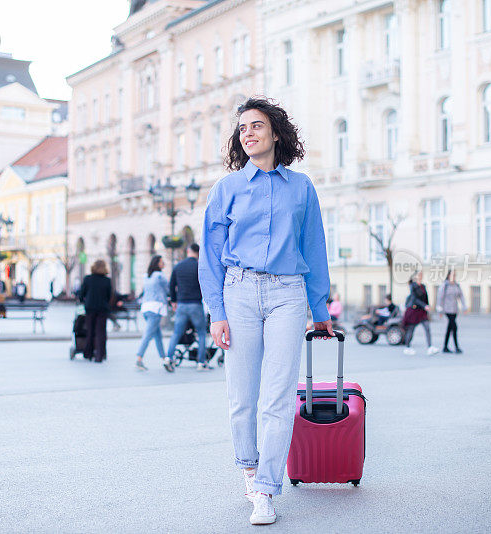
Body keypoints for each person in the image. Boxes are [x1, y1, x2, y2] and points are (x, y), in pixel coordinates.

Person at [199, 97, 332, 525]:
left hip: (287, 295)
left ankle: (266, 489)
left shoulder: (301, 187)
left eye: (257, 126)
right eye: (242, 129)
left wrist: (320, 307)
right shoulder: (227, 189)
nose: (249, 133)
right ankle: (249, 467)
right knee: (242, 397)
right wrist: (216, 311)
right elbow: (212, 256)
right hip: (238, 292)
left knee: (277, 397)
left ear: (275, 133)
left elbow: (313, 247)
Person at [166, 243, 210, 371]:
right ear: (198, 252)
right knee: (201, 333)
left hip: (181, 304)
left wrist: (174, 301)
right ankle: (201, 362)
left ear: (188, 251)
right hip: (196, 304)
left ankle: (169, 358)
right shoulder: (199, 266)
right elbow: (205, 284)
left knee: (177, 333)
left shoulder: (178, 266)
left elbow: (171, 285)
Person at [135, 255, 172, 372]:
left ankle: (164, 359)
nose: (163, 264)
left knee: (157, 336)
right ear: (157, 263)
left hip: (145, 308)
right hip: (156, 308)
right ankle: (139, 359)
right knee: (148, 335)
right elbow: (168, 290)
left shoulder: (146, 276)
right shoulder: (160, 276)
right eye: (162, 262)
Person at [77, 260, 112, 363]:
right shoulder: (107, 280)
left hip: (90, 308)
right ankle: (100, 355)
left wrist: (83, 300)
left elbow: (82, 294)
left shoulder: (88, 279)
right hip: (102, 309)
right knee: (101, 332)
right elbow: (109, 295)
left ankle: (89, 353)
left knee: (90, 331)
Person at [402, 272, 438, 355]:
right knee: (411, 330)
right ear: (416, 277)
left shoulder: (423, 286)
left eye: (422, 275)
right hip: (414, 311)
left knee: (427, 328)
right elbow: (414, 299)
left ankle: (430, 347)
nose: (421, 276)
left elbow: (426, 298)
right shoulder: (413, 286)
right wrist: (424, 305)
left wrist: (427, 306)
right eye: (419, 275)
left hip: (422, 312)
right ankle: (407, 347)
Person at [436, 270, 466, 353]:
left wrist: (464, 307)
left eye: (455, 275)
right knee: (454, 327)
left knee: (449, 328)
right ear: (448, 275)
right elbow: (440, 298)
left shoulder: (457, 285)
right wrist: (440, 310)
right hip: (447, 310)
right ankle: (457, 347)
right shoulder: (445, 285)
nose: (454, 277)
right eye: (452, 275)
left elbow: (461, 296)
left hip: (455, 310)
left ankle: (445, 347)